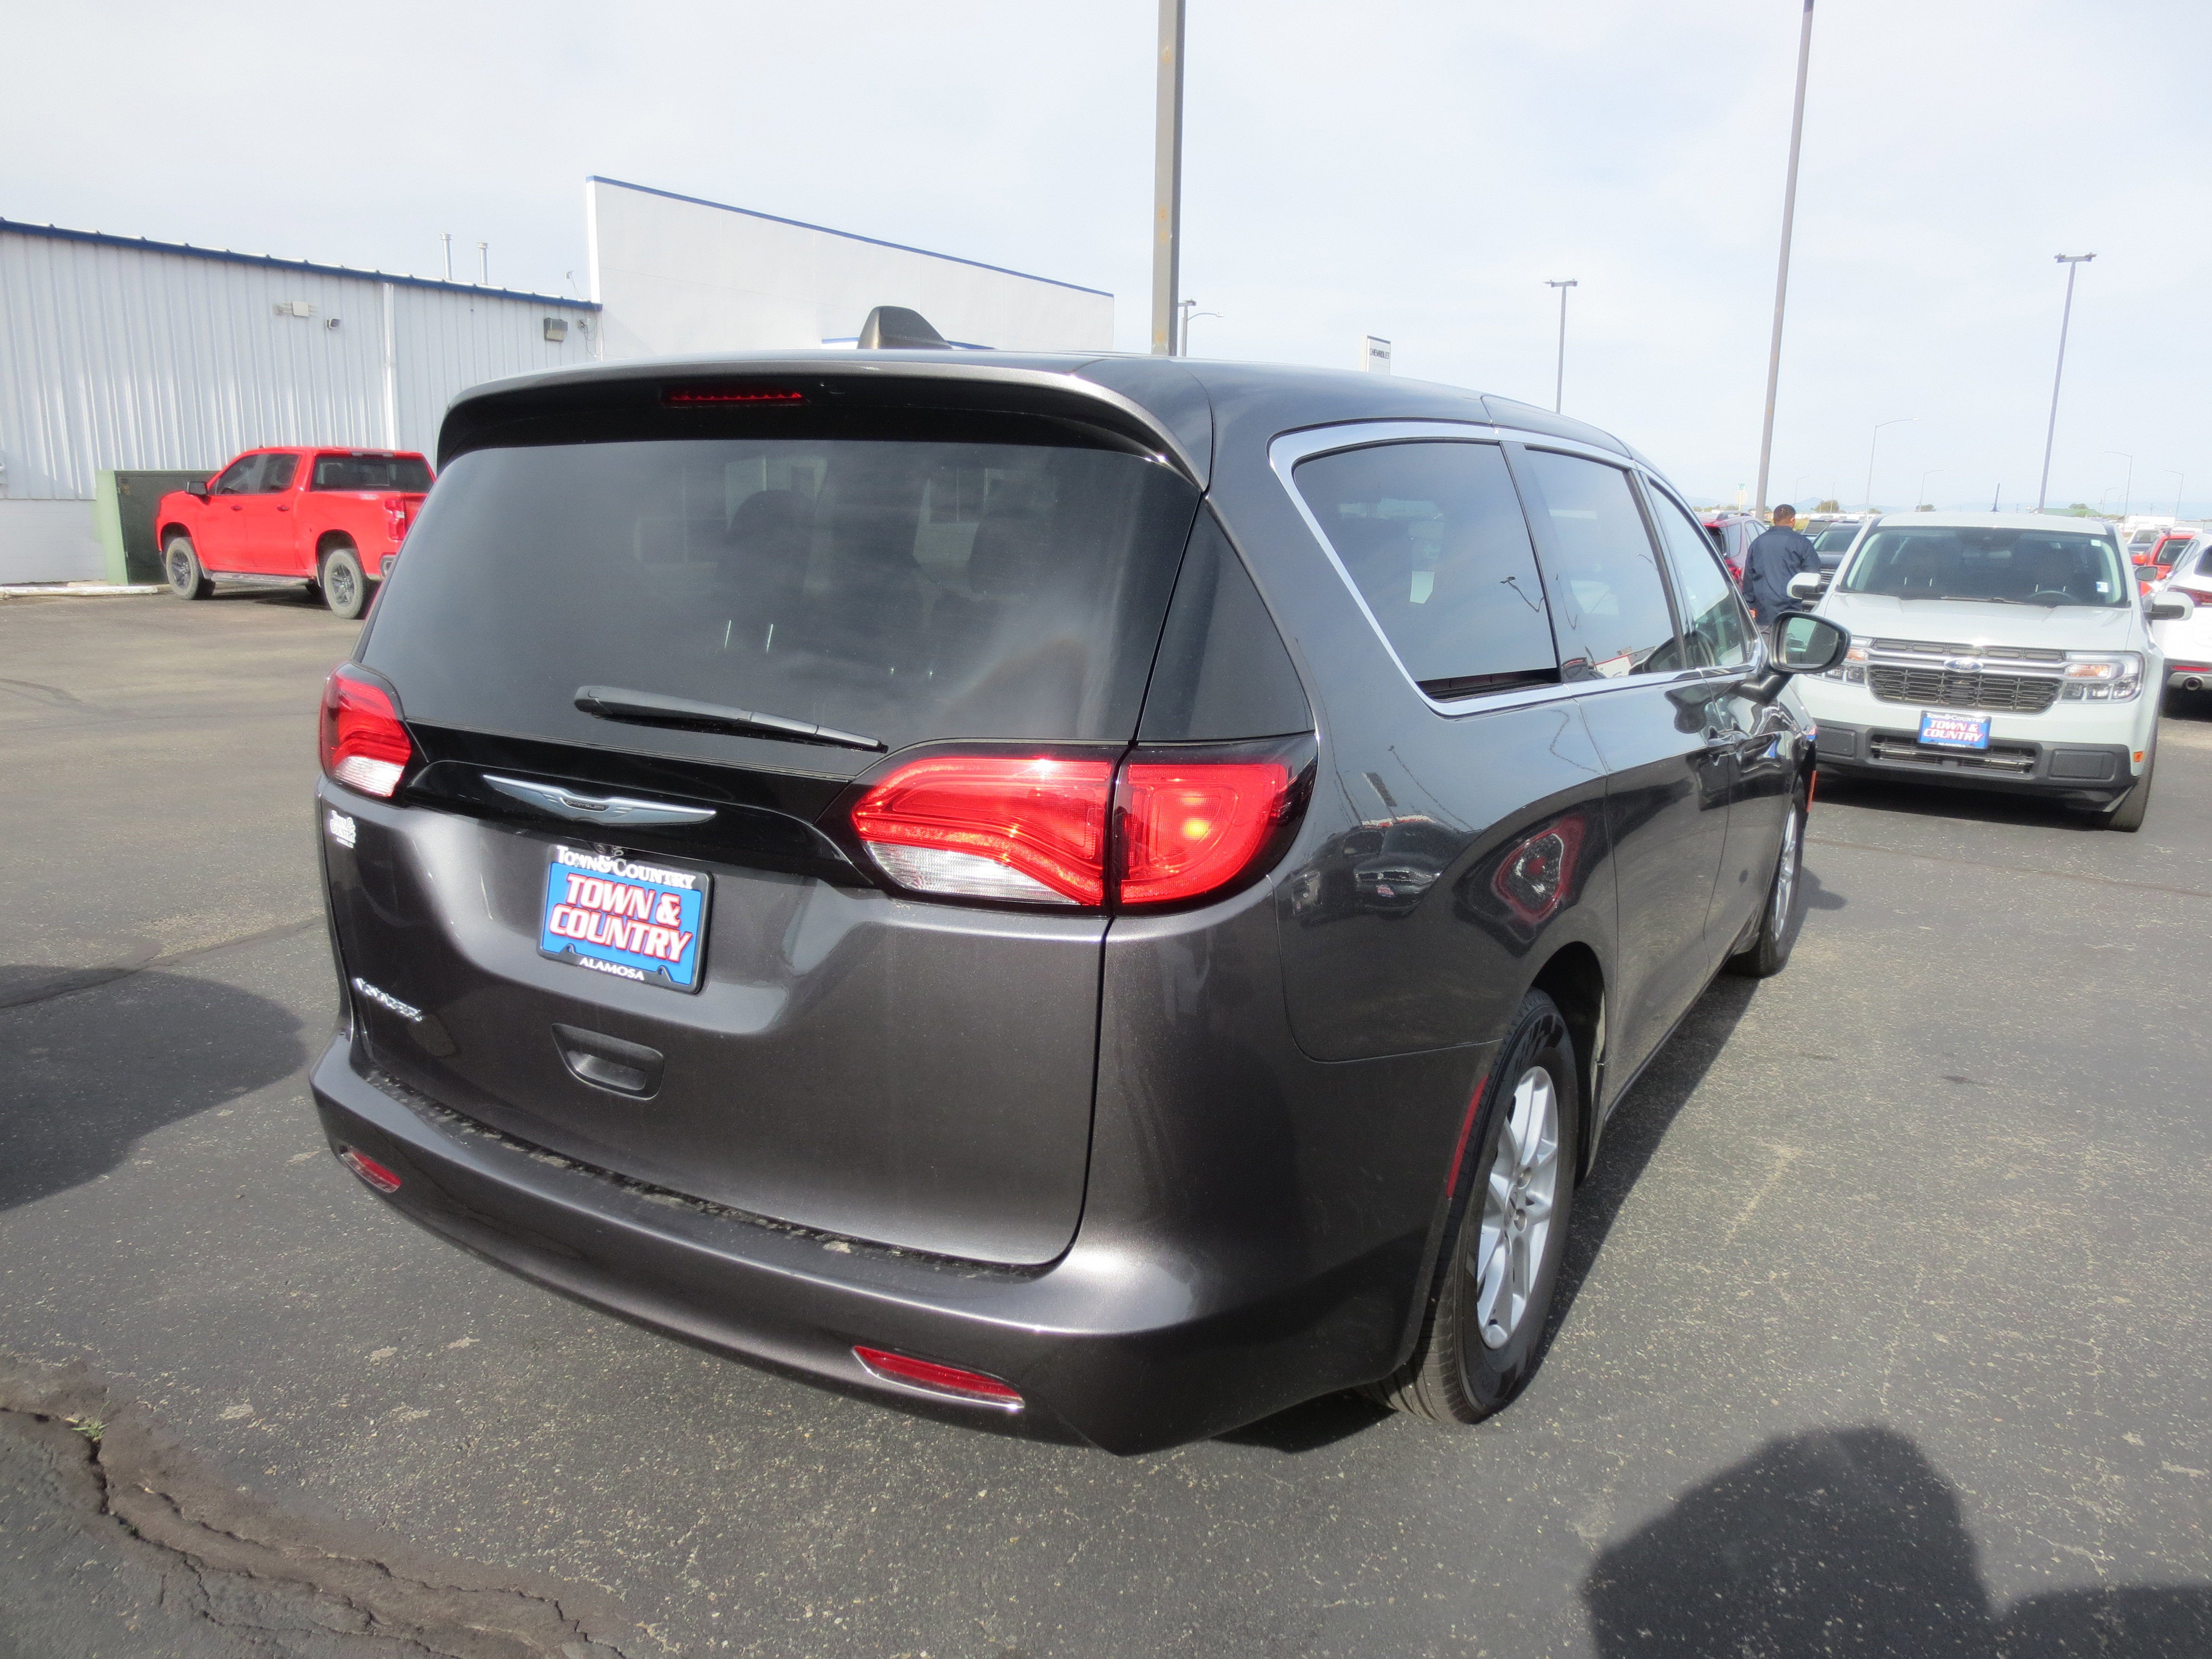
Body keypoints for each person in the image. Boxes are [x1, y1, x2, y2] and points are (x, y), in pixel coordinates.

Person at [1743, 505, 1820, 628]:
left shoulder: (1758, 542)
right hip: (1792, 607)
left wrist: (1749, 603)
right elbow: (1812, 573)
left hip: (1763, 608)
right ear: (1793, 520)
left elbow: (1749, 576)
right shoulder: (1802, 543)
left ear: (1774, 520)